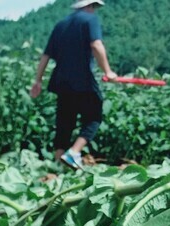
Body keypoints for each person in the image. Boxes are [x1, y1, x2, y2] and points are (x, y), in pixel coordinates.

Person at [30, 0, 118, 171]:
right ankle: (74, 152)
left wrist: (38, 81)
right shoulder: (90, 20)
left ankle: (57, 166)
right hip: (82, 79)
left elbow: (46, 56)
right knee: (94, 117)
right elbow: (96, 45)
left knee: (64, 122)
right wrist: (108, 71)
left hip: (61, 81)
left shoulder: (60, 25)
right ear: (90, 6)